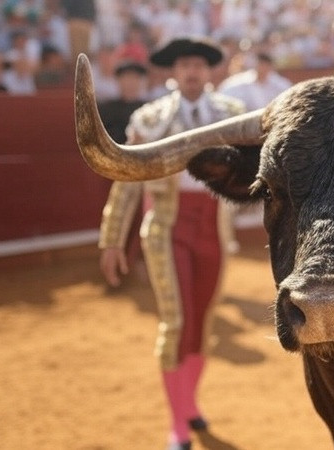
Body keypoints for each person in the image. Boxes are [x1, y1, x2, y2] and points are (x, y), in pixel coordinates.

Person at [97, 37, 245, 450]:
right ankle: (178, 424)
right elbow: (126, 183)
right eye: (184, 65)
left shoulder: (233, 115)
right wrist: (111, 239)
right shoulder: (148, 119)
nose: (193, 71)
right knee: (176, 322)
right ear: (173, 72)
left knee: (202, 321)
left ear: (210, 70)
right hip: (167, 226)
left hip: (214, 227)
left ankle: (189, 404)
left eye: (199, 64)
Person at [218, 51, 292, 111]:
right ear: (256, 64)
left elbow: (289, 101)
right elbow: (223, 97)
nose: (263, 68)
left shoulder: (280, 84)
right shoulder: (238, 82)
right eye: (261, 64)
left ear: (271, 66)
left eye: (266, 64)